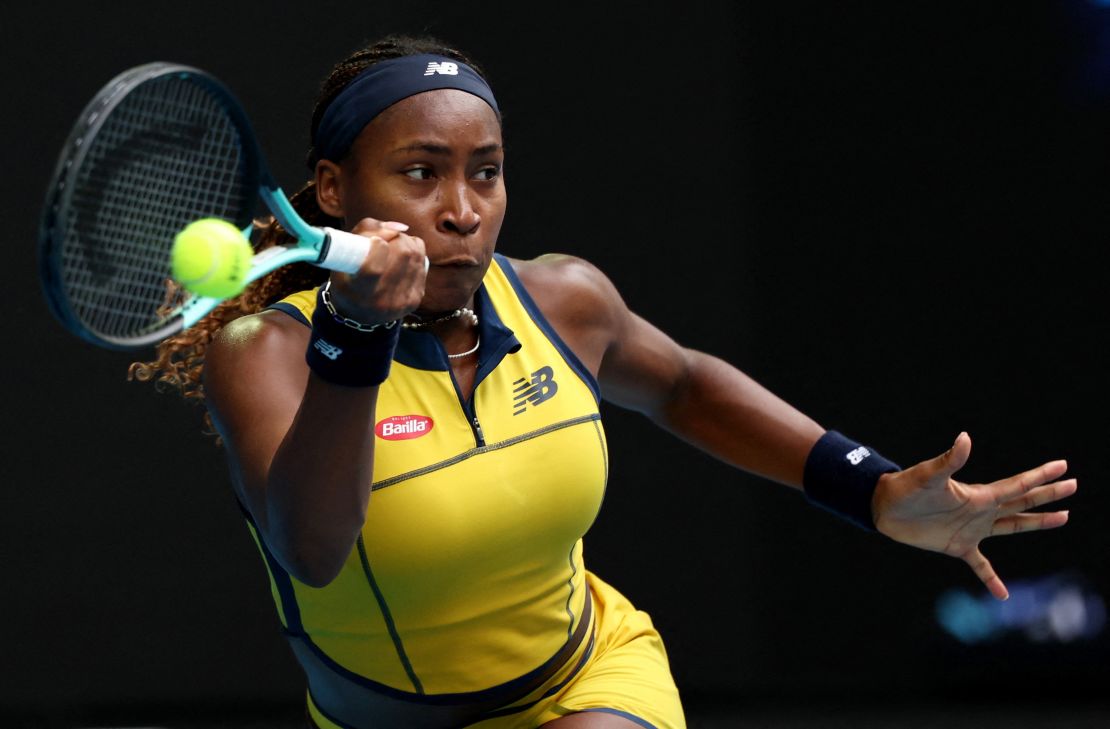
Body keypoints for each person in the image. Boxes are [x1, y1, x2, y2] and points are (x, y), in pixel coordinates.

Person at [130, 34, 1076, 729]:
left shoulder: (563, 299)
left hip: (588, 685)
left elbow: (686, 386)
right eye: (421, 173)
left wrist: (866, 489)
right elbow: (314, 549)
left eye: (486, 174)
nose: (462, 211)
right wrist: (352, 333)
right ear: (334, 192)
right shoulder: (267, 351)